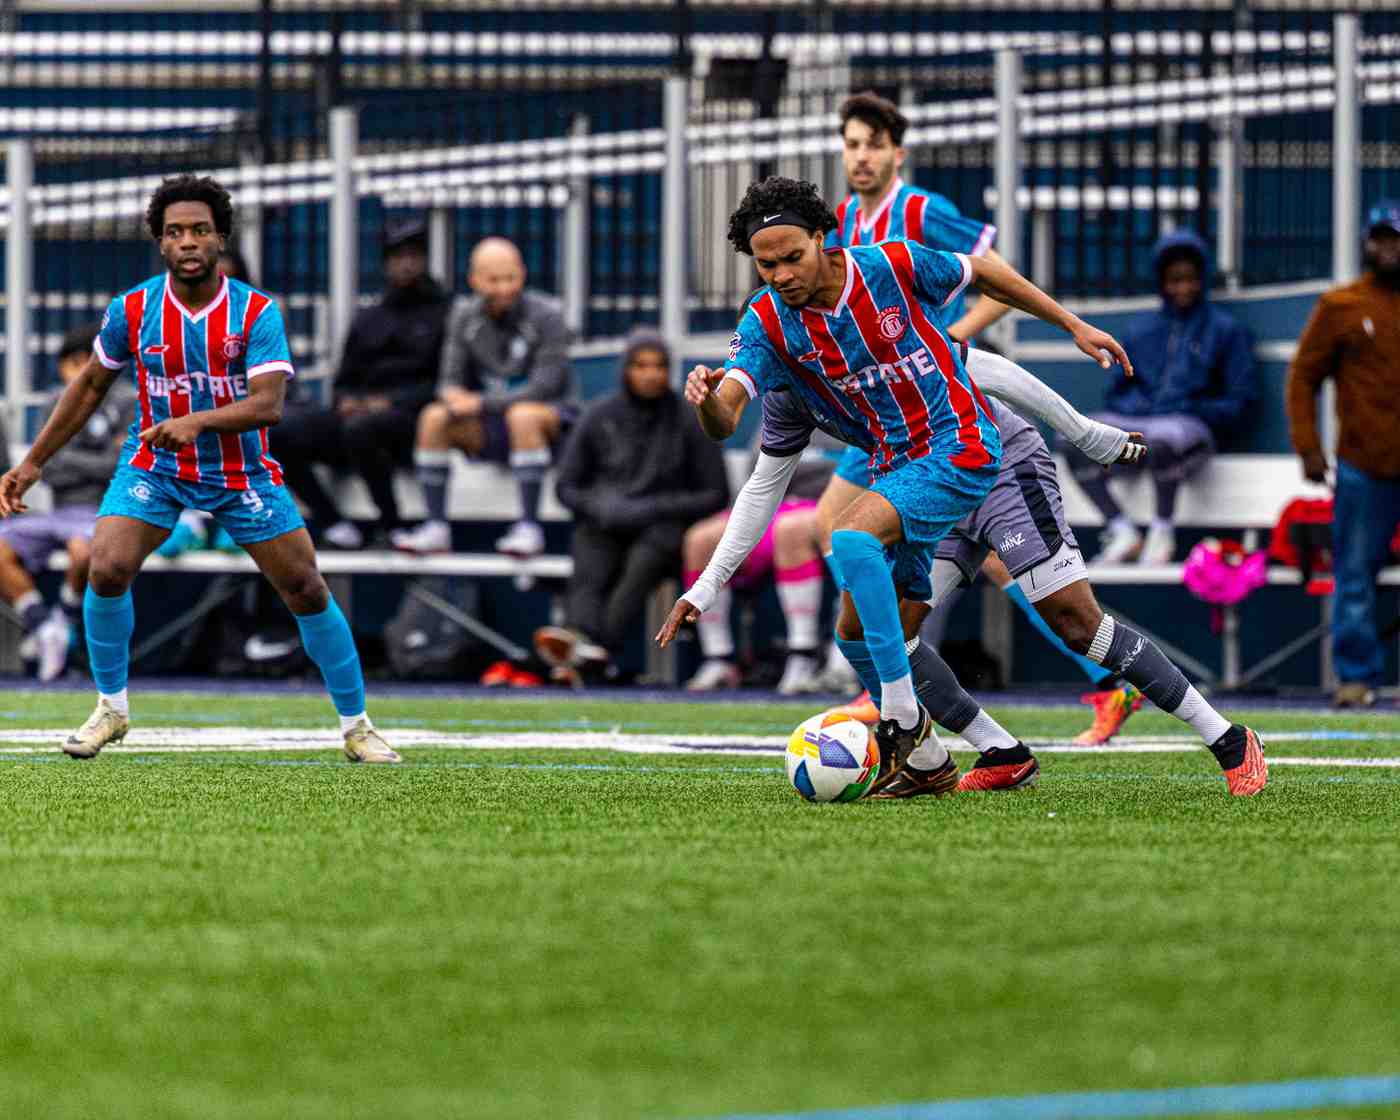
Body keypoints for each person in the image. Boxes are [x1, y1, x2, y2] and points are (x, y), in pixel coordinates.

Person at [679, 174, 1143, 795]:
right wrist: (710, 400)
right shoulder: (772, 335)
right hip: (885, 452)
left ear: (824, 237)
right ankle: (965, 744)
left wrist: (1077, 371)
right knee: (853, 612)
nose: (782, 273)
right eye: (768, 265)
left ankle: (901, 714)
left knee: (853, 538)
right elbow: (733, 422)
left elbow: (980, 319)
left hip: (957, 441)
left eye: (793, 257)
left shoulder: (898, 252)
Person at [662, 345, 1269, 799]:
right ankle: (997, 752)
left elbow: (987, 367)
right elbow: (761, 491)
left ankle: (1228, 737)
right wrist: (706, 586)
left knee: (1077, 624)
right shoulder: (786, 396)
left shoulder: (856, 325)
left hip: (1000, 461)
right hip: (930, 484)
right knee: (864, 633)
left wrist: (1084, 434)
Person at [0, 174, 398, 763]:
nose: (188, 242)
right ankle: (111, 708)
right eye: (175, 232)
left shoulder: (255, 312)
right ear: (160, 242)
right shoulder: (131, 309)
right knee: (107, 567)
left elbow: (269, 405)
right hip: (155, 466)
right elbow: (87, 389)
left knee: (305, 588)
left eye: (200, 230)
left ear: (220, 239)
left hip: (241, 474)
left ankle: (357, 725)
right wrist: (32, 462)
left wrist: (199, 421)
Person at [819, 90, 1137, 743]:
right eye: (852, 145)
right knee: (834, 531)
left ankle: (1108, 683)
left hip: (936, 407)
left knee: (988, 558)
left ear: (897, 153)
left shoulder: (922, 211)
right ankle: (885, 679)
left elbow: (999, 281)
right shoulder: (844, 221)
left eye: (873, 145)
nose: (861, 156)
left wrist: (948, 340)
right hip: (880, 411)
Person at [532, 328, 728, 684]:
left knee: (643, 563)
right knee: (589, 557)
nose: (650, 374)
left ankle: (591, 648)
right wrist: (602, 506)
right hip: (605, 521)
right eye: (641, 366)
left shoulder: (689, 417)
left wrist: (652, 508)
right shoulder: (599, 415)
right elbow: (567, 487)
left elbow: (715, 493)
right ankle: (583, 642)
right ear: (626, 370)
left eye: (658, 366)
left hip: (665, 527)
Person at [1067, 230, 1256, 565]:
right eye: (1174, 280)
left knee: (1166, 438)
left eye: (1190, 279)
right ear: (1162, 282)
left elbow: (1241, 403)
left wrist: (1189, 408)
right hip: (1141, 429)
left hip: (1188, 432)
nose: (1183, 288)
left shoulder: (1225, 330)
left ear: (1202, 279)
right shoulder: (1141, 329)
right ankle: (1121, 530)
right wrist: (1142, 407)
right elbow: (1116, 390)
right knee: (1075, 436)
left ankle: (1161, 532)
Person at [392, 237, 575, 557]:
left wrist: (479, 403)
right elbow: (448, 381)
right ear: (473, 280)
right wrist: (452, 398)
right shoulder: (463, 315)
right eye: (493, 280)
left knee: (524, 415)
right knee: (434, 416)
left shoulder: (548, 314)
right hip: (490, 425)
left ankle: (529, 527)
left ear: (523, 274)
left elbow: (545, 387)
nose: (504, 288)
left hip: (551, 423)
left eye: (511, 278)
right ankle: (436, 527)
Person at [273, 217, 449, 549]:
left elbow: (445, 383)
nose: (406, 263)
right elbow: (343, 381)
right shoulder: (370, 318)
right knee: (275, 431)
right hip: (358, 422)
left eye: (413, 254)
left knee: (363, 428)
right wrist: (347, 401)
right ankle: (334, 522)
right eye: (398, 256)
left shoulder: (445, 313)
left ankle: (392, 525)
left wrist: (391, 403)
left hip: (411, 424)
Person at [1287, 200, 1400, 709]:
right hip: (1363, 463)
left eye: (1396, 238)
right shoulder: (1342, 305)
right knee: (1354, 573)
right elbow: (1303, 377)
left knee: (1355, 574)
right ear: (1366, 243)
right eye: (1381, 238)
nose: (1389, 248)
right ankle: (1355, 678)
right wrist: (1308, 447)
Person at [0, 324, 134, 681]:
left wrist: (69, 461)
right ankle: (43, 626)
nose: (78, 370)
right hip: (58, 510)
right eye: (71, 362)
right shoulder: (53, 403)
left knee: (85, 550)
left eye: (86, 361)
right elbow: (47, 466)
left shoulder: (127, 402)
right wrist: (91, 462)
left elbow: (121, 467)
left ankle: (64, 620)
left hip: (104, 509)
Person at [682, 431, 837, 695]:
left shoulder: (856, 402)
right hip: (777, 506)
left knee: (790, 530)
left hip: (829, 506)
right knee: (700, 539)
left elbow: (851, 472)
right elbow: (761, 468)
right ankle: (718, 659)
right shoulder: (784, 403)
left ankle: (803, 654)